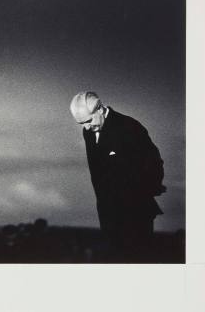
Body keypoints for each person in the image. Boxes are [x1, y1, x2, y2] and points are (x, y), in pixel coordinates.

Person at [70, 91, 166, 262]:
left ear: (100, 109)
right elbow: (98, 172)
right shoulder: (88, 132)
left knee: (138, 263)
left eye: (88, 121)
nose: (86, 127)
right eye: (81, 123)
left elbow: (154, 162)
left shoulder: (129, 127)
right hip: (108, 214)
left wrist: (146, 191)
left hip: (136, 214)